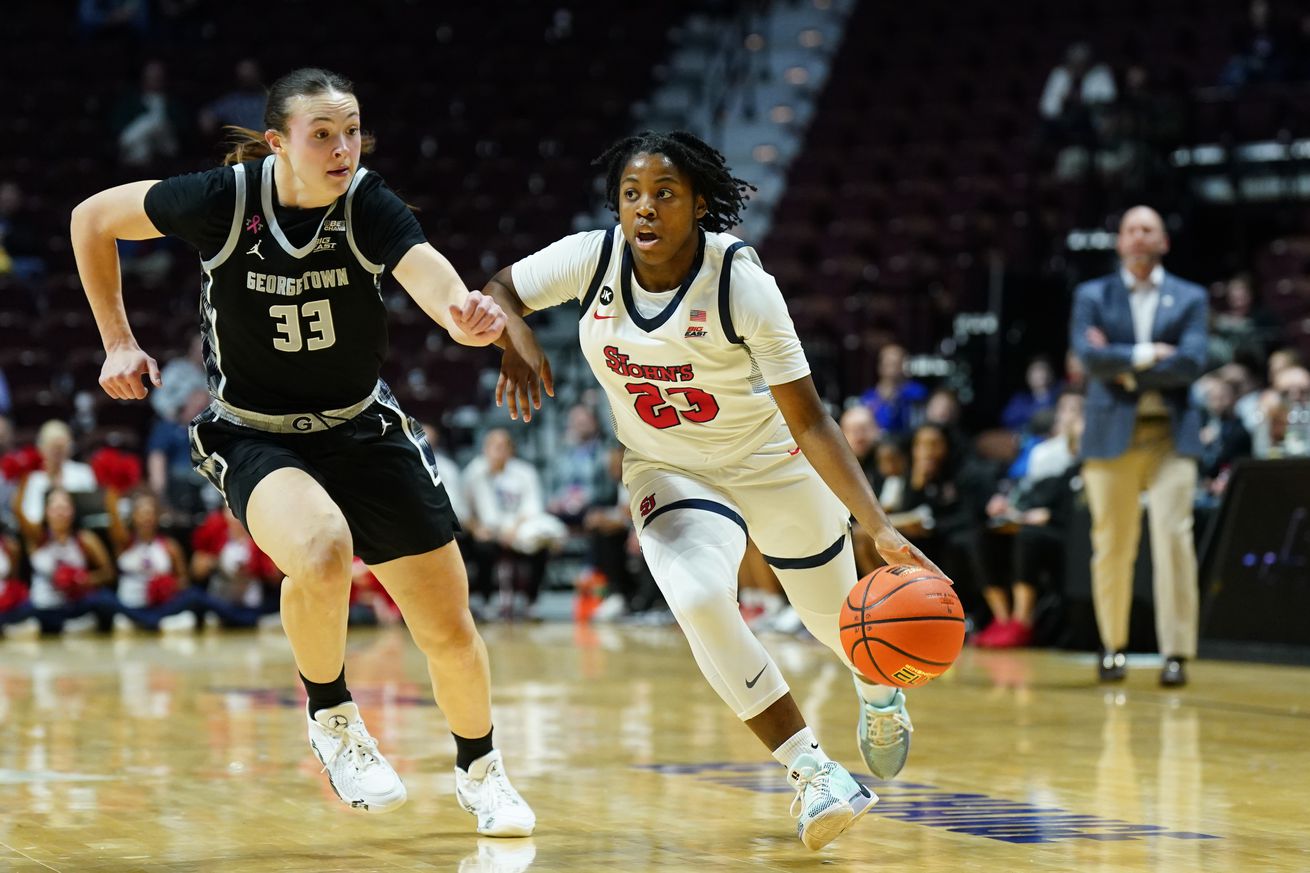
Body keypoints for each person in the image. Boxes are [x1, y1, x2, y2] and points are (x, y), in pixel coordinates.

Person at [69, 67, 534, 833]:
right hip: (255, 432)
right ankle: (334, 718)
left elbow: (433, 279)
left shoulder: (368, 203)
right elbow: (93, 217)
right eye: (323, 134)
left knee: (449, 628)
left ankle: (481, 769)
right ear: (278, 142)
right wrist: (117, 340)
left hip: (361, 428)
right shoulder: (225, 200)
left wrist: (466, 318)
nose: (343, 147)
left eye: (351, 130)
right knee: (321, 550)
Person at [484, 130, 942, 850]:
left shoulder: (742, 285)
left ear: (699, 204)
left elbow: (813, 417)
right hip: (667, 467)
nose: (644, 209)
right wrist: (512, 336)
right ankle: (813, 771)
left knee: (840, 626)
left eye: (664, 194)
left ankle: (878, 688)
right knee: (698, 598)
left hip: (771, 459)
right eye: (631, 194)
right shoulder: (591, 257)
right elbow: (500, 289)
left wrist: (875, 523)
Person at [1070, 205, 1207, 687]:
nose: (1139, 236)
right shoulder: (1092, 295)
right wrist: (1149, 355)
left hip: (1171, 433)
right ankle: (1114, 648)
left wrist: (1121, 364)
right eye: (1131, 229)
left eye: (1149, 227)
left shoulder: (1191, 297)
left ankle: (1176, 653)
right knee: (1111, 544)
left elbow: (1191, 362)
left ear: (1164, 241)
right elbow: (1088, 357)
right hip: (1111, 436)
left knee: (1174, 538)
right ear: (1120, 242)